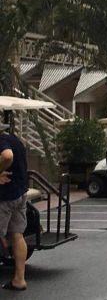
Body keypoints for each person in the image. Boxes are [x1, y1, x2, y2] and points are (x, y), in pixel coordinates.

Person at [0, 123, 29, 291]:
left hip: (4, 198)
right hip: (20, 194)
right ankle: (19, 279)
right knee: (17, 235)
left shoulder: (1, 141)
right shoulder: (16, 140)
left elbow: (7, 156)